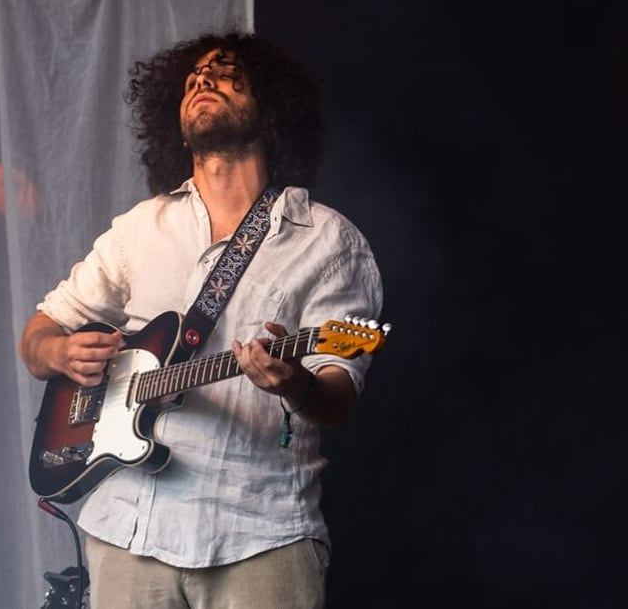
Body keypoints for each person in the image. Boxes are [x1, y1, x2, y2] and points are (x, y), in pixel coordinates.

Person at [19, 31, 384, 609]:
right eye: (191, 80)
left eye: (223, 73)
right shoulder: (141, 227)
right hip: (126, 531)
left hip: (261, 536)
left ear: (270, 107)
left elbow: (337, 399)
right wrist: (59, 353)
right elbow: (39, 334)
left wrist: (296, 381)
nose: (202, 82)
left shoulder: (328, 241)